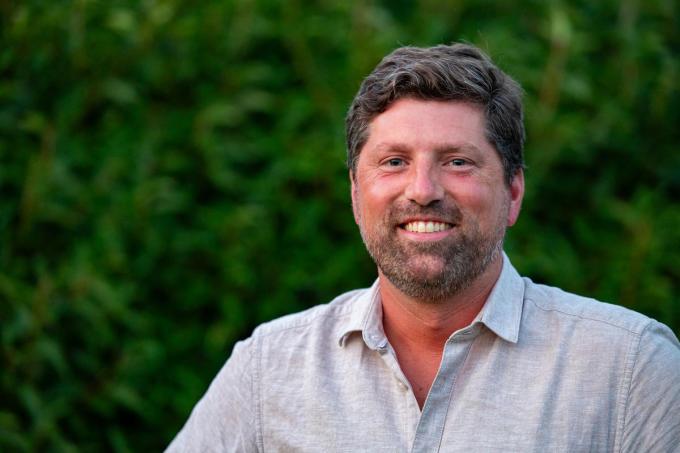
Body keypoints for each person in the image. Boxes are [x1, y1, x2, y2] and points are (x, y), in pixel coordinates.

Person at [167, 43, 680, 452]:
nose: (423, 190)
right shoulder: (268, 371)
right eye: (394, 162)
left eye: (458, 162)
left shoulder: (629, 370)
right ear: (355, 195)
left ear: (513, 192)